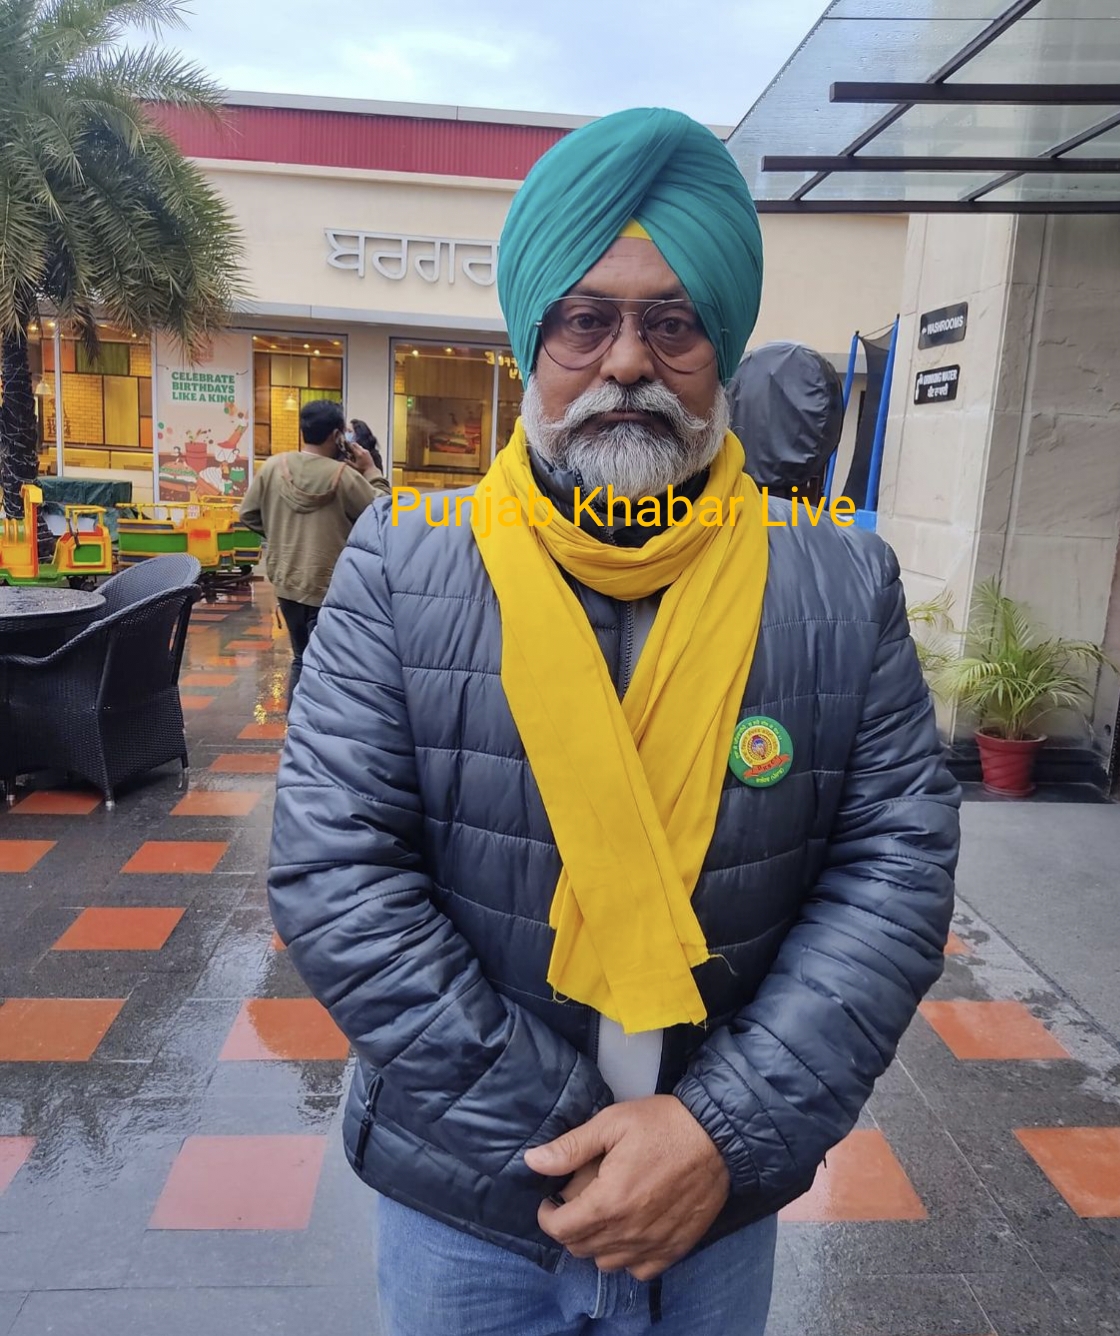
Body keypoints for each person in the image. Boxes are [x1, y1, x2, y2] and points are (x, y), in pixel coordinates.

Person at [268, 108, 960, 1335]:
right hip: (468, 1205)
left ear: (719, 349)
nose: (627, 361)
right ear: (533, 341)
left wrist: (714, 1135)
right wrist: (589, 1145)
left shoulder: (838, 582)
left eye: (672, 324)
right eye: (584, 321)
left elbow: (893, 871)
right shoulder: (400, 566)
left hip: (712, 1210)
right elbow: (337, 872)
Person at [239, 398, 390, 707]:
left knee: (300, 658)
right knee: (331, 664)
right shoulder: (344, 476)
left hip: (287, 582)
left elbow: (248, 514)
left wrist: (280, 534)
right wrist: (372, 471)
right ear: (336, 435)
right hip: (331, 586)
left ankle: (297, 723)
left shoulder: (273, 467)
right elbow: (383, 513)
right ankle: (326, 723)